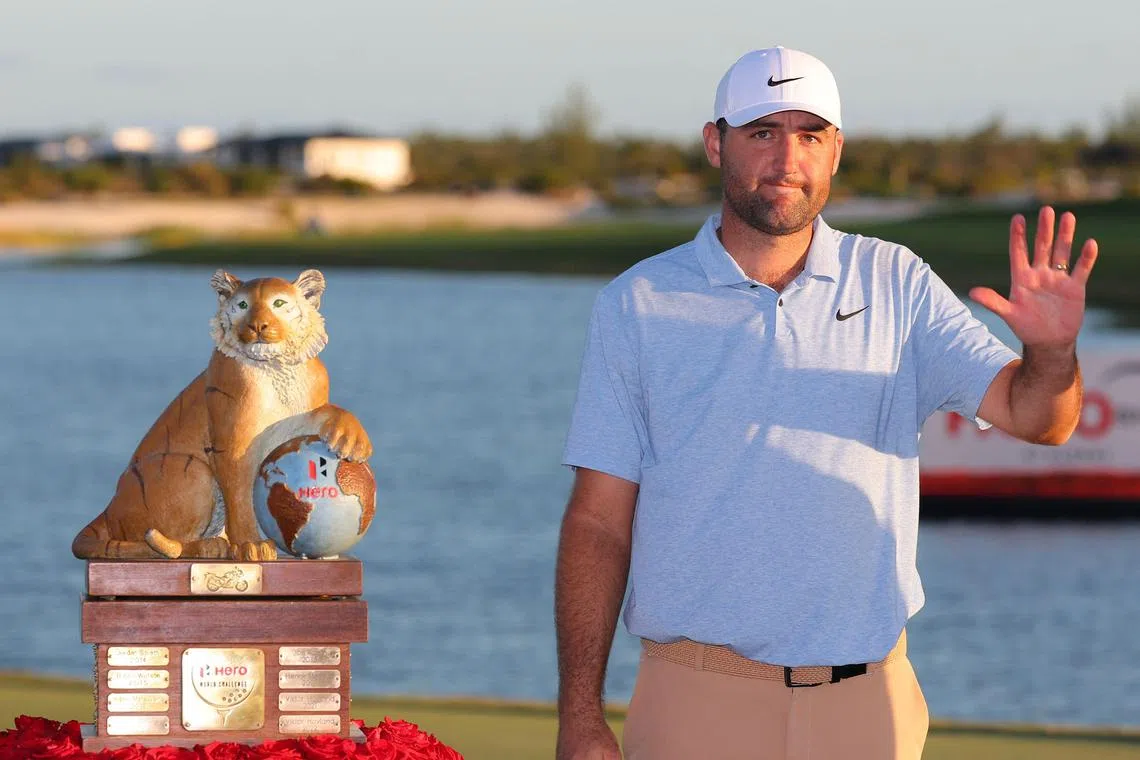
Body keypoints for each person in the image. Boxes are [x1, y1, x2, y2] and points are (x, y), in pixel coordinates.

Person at [555, 46, 1097, 760]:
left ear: (836, 151)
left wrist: (1052, 356)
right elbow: (598, 522)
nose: (788, 159)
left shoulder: (899, 283)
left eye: (811, 135)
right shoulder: (636, 304)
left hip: (867, 708)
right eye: (762, 133)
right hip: (694, 699)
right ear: (716, 143)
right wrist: (580, 715)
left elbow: (1040, 420)